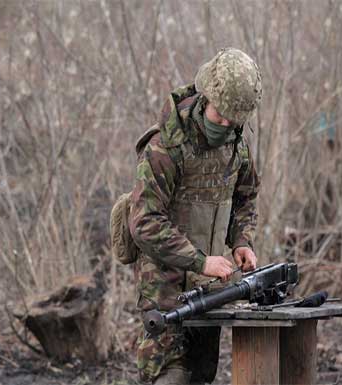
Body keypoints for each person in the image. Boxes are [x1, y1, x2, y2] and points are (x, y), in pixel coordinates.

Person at [129, 47, 262, 385]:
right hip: (165, 288)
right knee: (170, 378)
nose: (227, 124)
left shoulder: (236, 145)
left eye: (235, 119)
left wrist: (242, 240)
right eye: (221, 115)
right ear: (206, 98)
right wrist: (200, 260)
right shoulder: (165, 147)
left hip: (211, 288)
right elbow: (144, 222)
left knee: (202, 376)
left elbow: (245, 197)